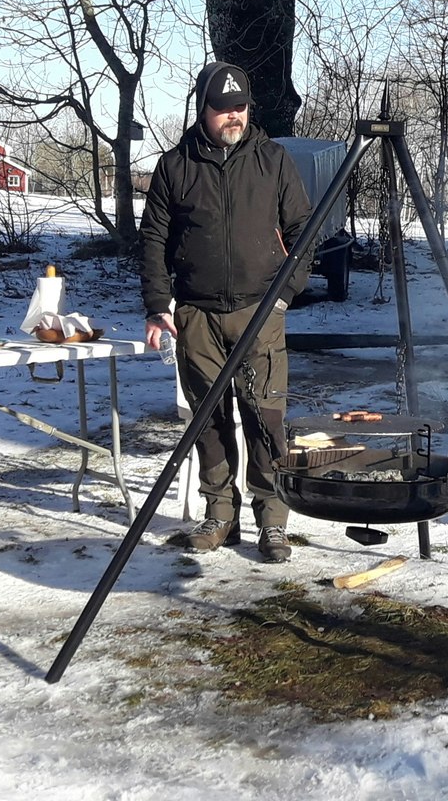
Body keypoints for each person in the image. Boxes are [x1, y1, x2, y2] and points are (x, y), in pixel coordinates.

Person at [140, 61, 311, 563]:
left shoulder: (274, 161)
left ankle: (273, 520)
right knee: (209, 420)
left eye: (240, 108)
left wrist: (285, 294)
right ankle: (219, 514)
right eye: (222, 110)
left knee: (266, 417)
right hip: (197, 315)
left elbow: (304, 230)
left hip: (261, 311)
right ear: (203, 109)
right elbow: (153, 241)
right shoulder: (176, 166)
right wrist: (157, 304)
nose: (232, 117)